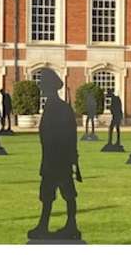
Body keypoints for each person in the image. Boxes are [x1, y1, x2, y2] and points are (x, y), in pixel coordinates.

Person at [28, 68, 81, 241]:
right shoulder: (55, 106)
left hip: (57, 158)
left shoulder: (58, 107)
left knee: (64, 193)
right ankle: (50, 225)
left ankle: (70, 225)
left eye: (43, 84)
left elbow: (69, 134)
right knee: (49, 194)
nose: (41, 87)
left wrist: (72, 158)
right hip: (54, 157)